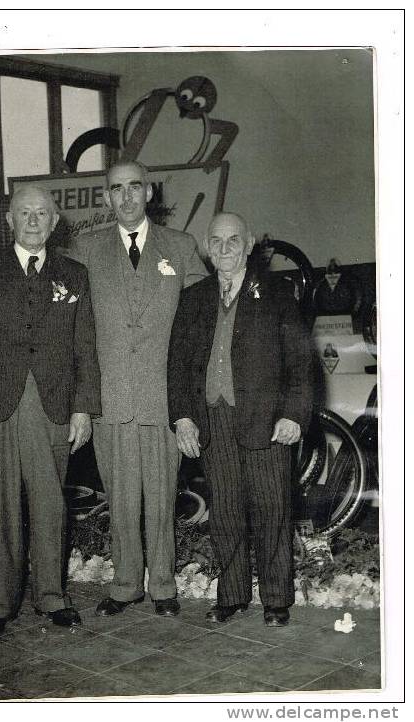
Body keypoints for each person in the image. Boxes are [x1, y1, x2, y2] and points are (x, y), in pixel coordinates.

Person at [0, 185, 101, 635]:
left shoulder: (74, 274)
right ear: (9, 220)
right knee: (0, 505)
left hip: (53, 406)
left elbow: (85, 349)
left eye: (42, 213)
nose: (33, 220)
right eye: (24, 213)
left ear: (55, 223)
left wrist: (83, 409)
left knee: (51, 504)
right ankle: (0, 602)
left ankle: (52, 596)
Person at [65, 160, 207, 617]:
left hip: (164, 400)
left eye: (134, 188)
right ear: (106, 197)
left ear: (149, 193)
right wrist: (81, 401)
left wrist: (191, 402)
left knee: (162, 499)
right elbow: (73, 329)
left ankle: (163, 585)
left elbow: (202, 323)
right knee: (120, 500)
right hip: (112, 401)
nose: (126, 197)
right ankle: (125, 584)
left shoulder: (181, 246)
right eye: (116, 189)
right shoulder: (85, 249)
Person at [167, 212, 313, 626]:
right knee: (226, 510)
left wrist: (293, 415)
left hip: (267, 421)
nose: (226, 247)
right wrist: (182, 418)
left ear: (249, 244)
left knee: (272, 508)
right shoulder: (193, 297)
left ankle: (276, 599)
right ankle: (230, 596)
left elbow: (302, 361)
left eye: (234, 240)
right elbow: (177, 366)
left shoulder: (278, 292)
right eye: (217, 240)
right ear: (207, 247)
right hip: (213, 419)